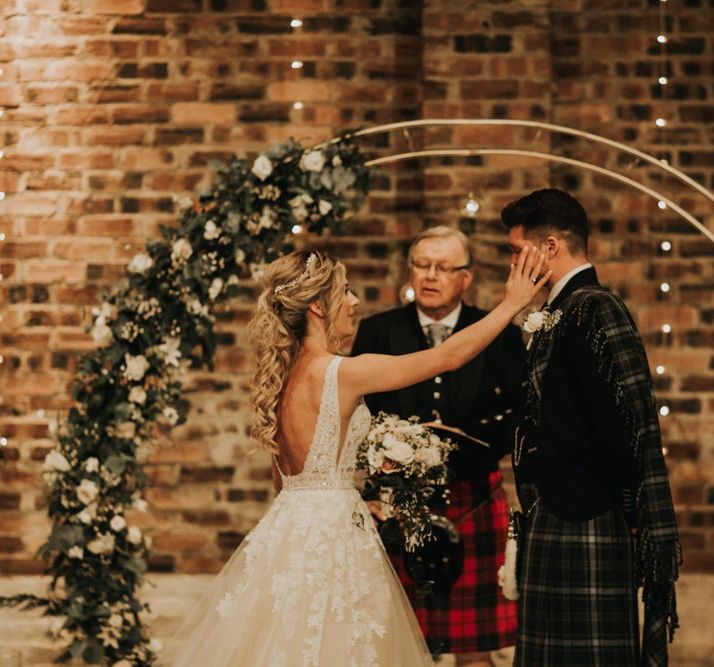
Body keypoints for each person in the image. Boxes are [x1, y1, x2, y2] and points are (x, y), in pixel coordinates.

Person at [159, 247, 548, 666]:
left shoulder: (281, 377)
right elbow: (448, 357)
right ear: (316, 307)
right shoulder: (343, 373)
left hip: (289, 528)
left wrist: (346, 496)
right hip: (333, 537)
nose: (354, 302)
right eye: (345, 291)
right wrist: (511, 304)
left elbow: (285, 481)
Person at [501, 188, 681, 667]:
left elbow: (624, 427)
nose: (512, 264)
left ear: (551, 246)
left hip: (586, 517)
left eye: (517, 251)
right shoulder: (565, 311)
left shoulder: (596, 307)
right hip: (558, 517)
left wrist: (612, 507)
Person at [351, 226, 523, 665]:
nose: (430, 275)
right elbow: (358, 413)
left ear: (466, 278)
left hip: (475, 498)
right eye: (422, 265)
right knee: (396, 644)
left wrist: (460, 453)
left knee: (474, 647)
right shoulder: (377, 331)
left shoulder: (496, 332)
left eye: (444, 267)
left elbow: (521, 413)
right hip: (397, 505)